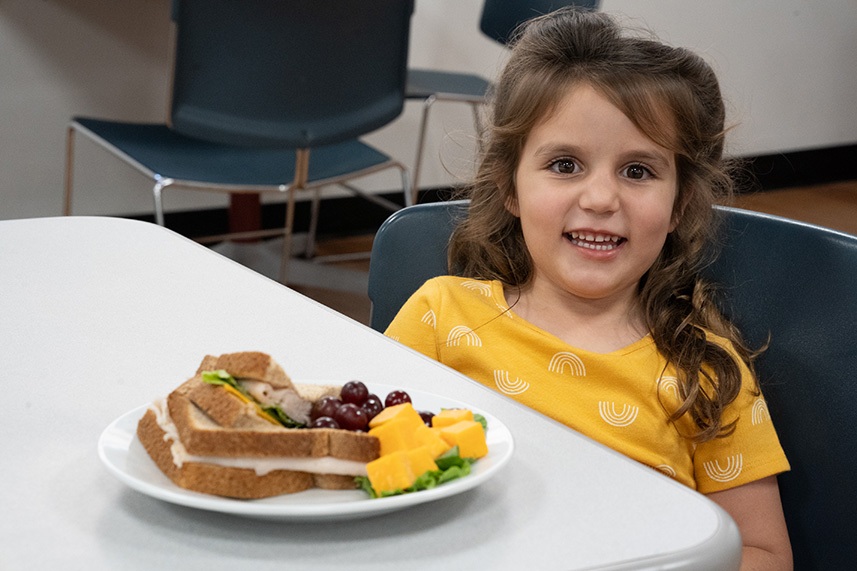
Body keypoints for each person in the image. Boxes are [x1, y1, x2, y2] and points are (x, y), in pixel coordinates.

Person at [385, 8, 792, 570]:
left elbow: (764, 552)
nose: (601, 199)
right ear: (509, 186)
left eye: (638, 171)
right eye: (566, 163)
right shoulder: (439, 317)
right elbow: (372, 463)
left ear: (679, 205)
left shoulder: (706, 372)